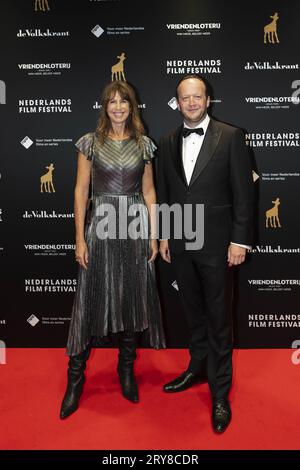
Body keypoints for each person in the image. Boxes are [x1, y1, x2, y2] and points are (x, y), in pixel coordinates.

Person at [60, 81, 165, 419]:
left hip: (135, 227)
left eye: (124, 101)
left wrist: (154, 235)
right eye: (112, 102)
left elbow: (149, 193)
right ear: (104, 107)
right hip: (100, 227)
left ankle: (126, 370)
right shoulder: (90, 143)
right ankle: (75, 380)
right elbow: (80, 191)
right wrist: (79, 238)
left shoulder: (143, 144)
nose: (118, 107)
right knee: (89, 299)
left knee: (132, 295)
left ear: (132, 106)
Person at [157, 75, 253, 433]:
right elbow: (165, 192)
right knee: (193, 313)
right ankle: (197, 369)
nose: (192, 103)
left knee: (218, 320)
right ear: (177, 103)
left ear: (209, 100)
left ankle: (220, 392)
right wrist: (165, 236)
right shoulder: (166, 141)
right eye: (185, 98)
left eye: (198, 97)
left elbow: (244, 194)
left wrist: (239, 242)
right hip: (181, 244)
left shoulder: (231, 137)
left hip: (217, 245)